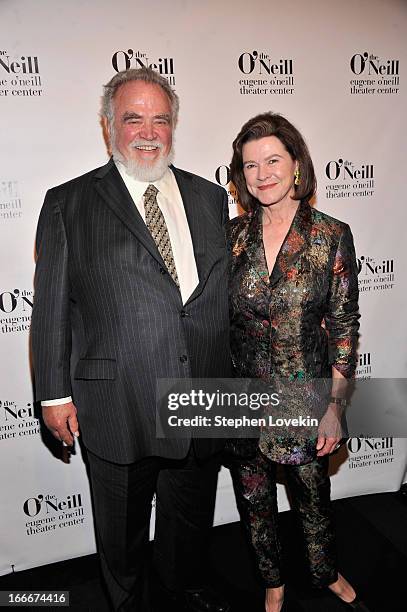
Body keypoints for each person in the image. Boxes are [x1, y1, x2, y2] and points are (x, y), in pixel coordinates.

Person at [31, 67, 231, 612]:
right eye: (133, 118)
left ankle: (182, 585)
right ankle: (127, 602)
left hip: (199, 392)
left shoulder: (210, 197)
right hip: (115, 399)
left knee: (189, 513)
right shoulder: (68, 203)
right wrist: (53, 394)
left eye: (160, 119)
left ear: (174, 126)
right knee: (120, 530)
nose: (148, 131)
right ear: (108, 127)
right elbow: (50, 308)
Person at [226, 113, 369, 612]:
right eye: (250, 166)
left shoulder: (330, 235)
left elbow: (344, 326)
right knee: (254, 501)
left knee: (313, 500)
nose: (263, 174)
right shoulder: (231, 238)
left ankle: (325, 571)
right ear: (240, 177)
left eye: (273, 160)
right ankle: (272, 579)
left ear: (296, 165)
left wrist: (335, 406)